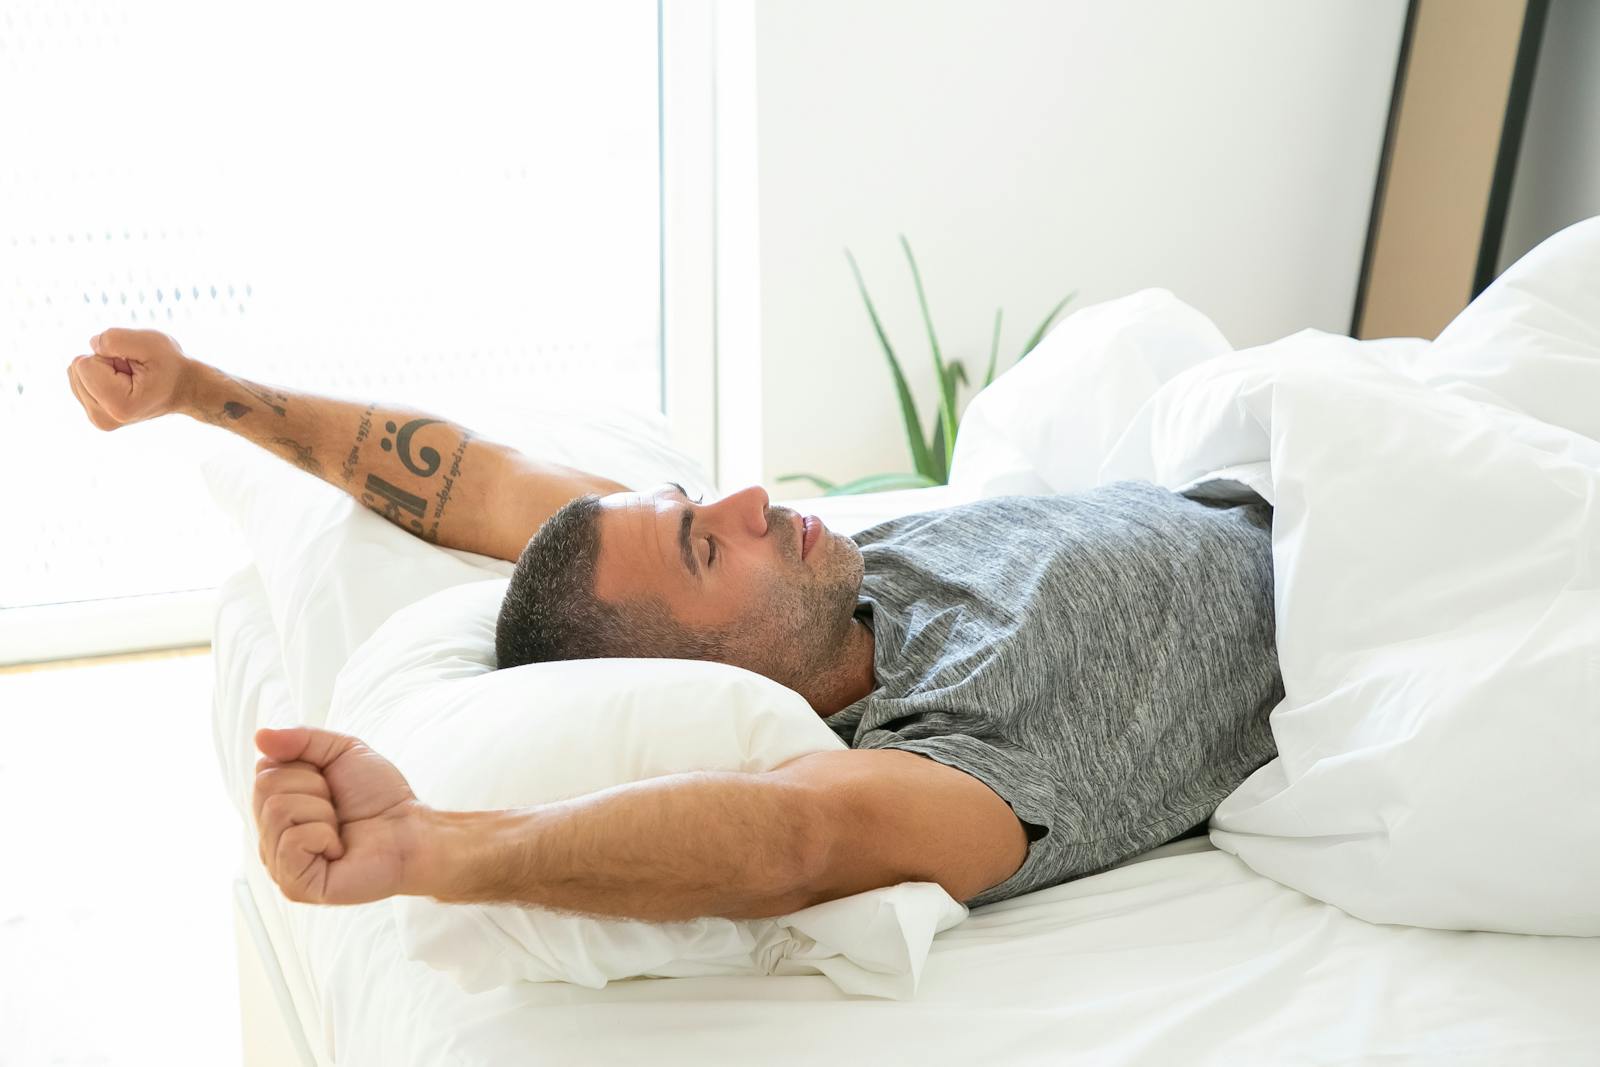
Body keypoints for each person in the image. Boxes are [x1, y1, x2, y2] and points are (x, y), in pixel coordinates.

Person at [67, 327, 1282, 923]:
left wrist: (201, 391)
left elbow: (475, 481)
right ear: (689, 662)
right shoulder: (950, 749)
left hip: (1271, 471)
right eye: (708, 544)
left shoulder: (831, 583)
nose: (753, 502)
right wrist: (437, 845)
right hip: (1343, 593)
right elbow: (795, 836)